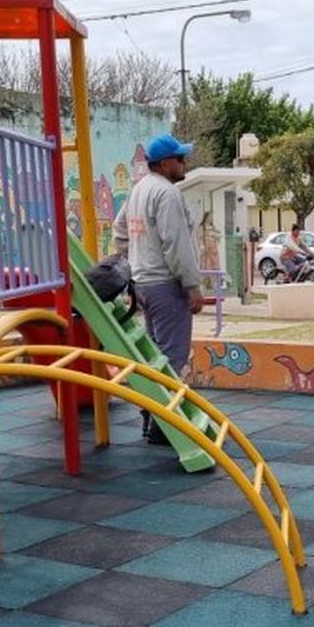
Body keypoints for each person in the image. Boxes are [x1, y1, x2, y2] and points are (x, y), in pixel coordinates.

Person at [113, 132, 205, 443]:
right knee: (171, 358)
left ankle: (149, 417)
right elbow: (176, 244)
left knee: (153, 358)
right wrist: (192, 286)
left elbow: (119, 230)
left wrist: (134, 258)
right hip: (166, 285)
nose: (184, 163)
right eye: (180, 159)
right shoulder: (166, 194)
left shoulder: (138, 190)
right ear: (165, 164)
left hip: (143, 284)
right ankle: (163, 427)